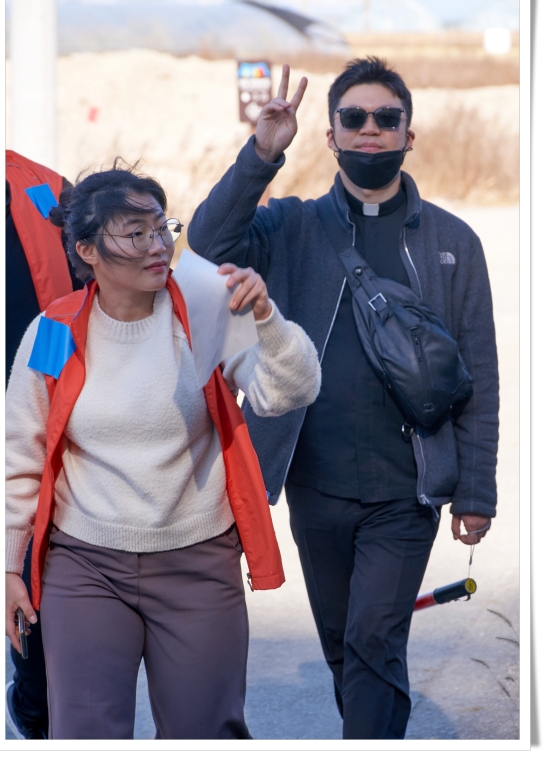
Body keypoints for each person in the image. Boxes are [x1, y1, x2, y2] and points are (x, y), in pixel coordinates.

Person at [187, 58, 499, 739]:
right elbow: (206, 245)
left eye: (386, 118)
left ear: (409, 134)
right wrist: (262, 154)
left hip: (407, 488)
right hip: (315, 485)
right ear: (330, 136)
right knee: (344, 646)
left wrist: (476, 489)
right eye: (353, 118)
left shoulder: (453, 241)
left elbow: (479, 371)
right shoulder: (291, 226)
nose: (370, 129)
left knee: (371, 638)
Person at [5, 161, 321, 740]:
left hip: (198, 560)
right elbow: (20, 455)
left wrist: (266, 318)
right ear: (87, 251)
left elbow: (287, 392)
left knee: (205, 734)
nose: (158, 246)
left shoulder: (201, 309)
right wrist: (6, 565)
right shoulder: (54, 330)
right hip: (86, 564)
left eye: (161, 227)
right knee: (83, 736)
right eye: (136, 233)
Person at [6, 150, 84, 740]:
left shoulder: (46, 190)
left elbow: (85, 301)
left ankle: (39, 719)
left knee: (37, 614)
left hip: (35, 417)